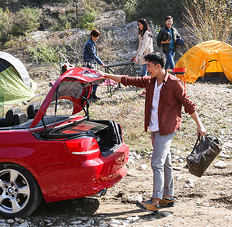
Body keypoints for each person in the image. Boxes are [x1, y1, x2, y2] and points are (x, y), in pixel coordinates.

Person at [102, 52, 206, 214]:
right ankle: (168, 196)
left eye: (149, 66)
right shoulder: (150, 82)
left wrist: (200, 125)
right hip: (155, 129)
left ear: (158, 66)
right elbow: (128, 80)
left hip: (167, 129)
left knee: (156, 163)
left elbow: (188, 104)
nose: (146, 69)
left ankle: (155, 201)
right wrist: (105, 75)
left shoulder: (174, 83)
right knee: (165, 163)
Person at [83, 29, 105, 100]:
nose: (97, 38)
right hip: (89, 64)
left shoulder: (93, 42)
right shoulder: (89, 43)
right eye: (96, 37)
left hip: (92, 63)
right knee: (93, 79)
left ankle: (93, 94)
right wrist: (101, 63)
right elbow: (93, 55)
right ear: (92, 36)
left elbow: (95, 55)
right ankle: (90, 95)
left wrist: (100, 62)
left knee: (95, 79)